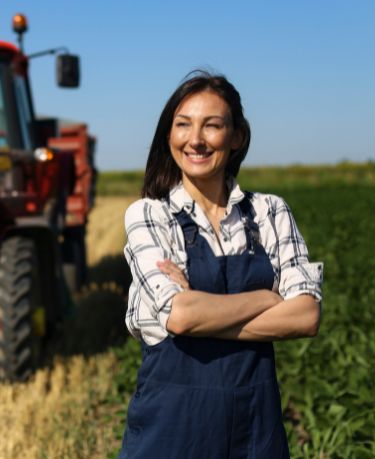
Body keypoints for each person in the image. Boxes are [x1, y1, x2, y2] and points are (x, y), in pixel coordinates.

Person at [119, 71, 323, 458]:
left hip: (254, 434)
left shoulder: (270, 212)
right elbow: (179, 316)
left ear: (237, 136)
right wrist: (267, 297)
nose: (195, 139)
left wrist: (201, 313)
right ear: (169, 135)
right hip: (170, 435)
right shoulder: (149, 215)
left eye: (212, 125)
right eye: (183, 125)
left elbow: (305, 316)